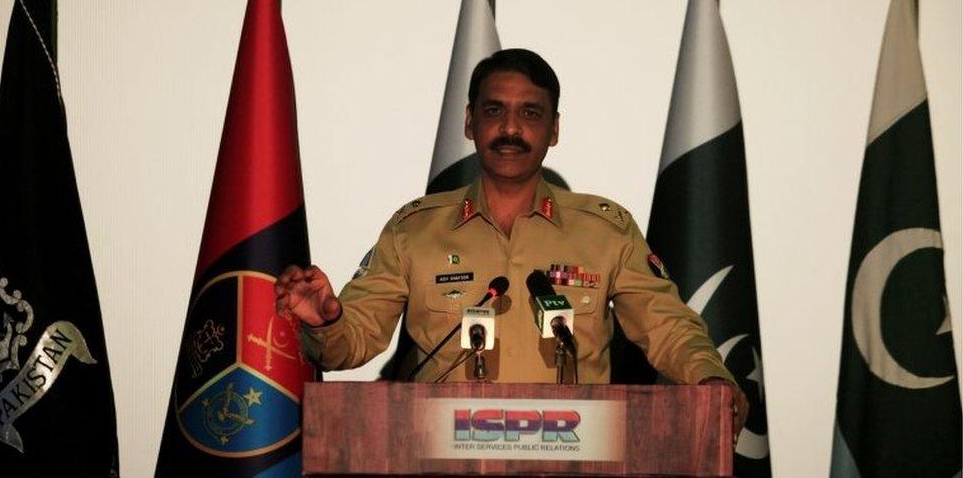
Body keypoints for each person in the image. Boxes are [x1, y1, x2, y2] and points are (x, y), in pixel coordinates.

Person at [275, 48, 748, 436]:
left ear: (554, 129)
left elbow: (668, 328)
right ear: (469, 122)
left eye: (530, 113)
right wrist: (327, 321)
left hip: (577, 452)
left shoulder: (606, 230)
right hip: (440, 458)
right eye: (494, 110)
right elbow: (345, 346)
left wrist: (710, 377)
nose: (510, 129)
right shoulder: (413, 230)